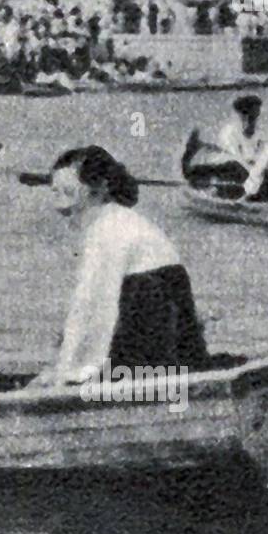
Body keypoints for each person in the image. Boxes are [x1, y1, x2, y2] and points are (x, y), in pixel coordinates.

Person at [27, 146, 208, 387]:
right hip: (171, 347)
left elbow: (93, 308)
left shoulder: (107, 229)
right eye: (55, 194)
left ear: (101, 188)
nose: (60, 209)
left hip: (153, 348)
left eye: (69, 194)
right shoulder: (121, 219)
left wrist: (65, 374)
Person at [182, 95, 262, 186]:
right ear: (243, 115)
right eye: (251, 117)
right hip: (226, 167)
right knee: (236, 167)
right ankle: (189, 161)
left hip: (236, 170)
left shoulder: (256, 133)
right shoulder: (230, 131)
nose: (254, 122)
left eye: (256, 117)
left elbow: (250, 156)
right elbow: (235, 158)